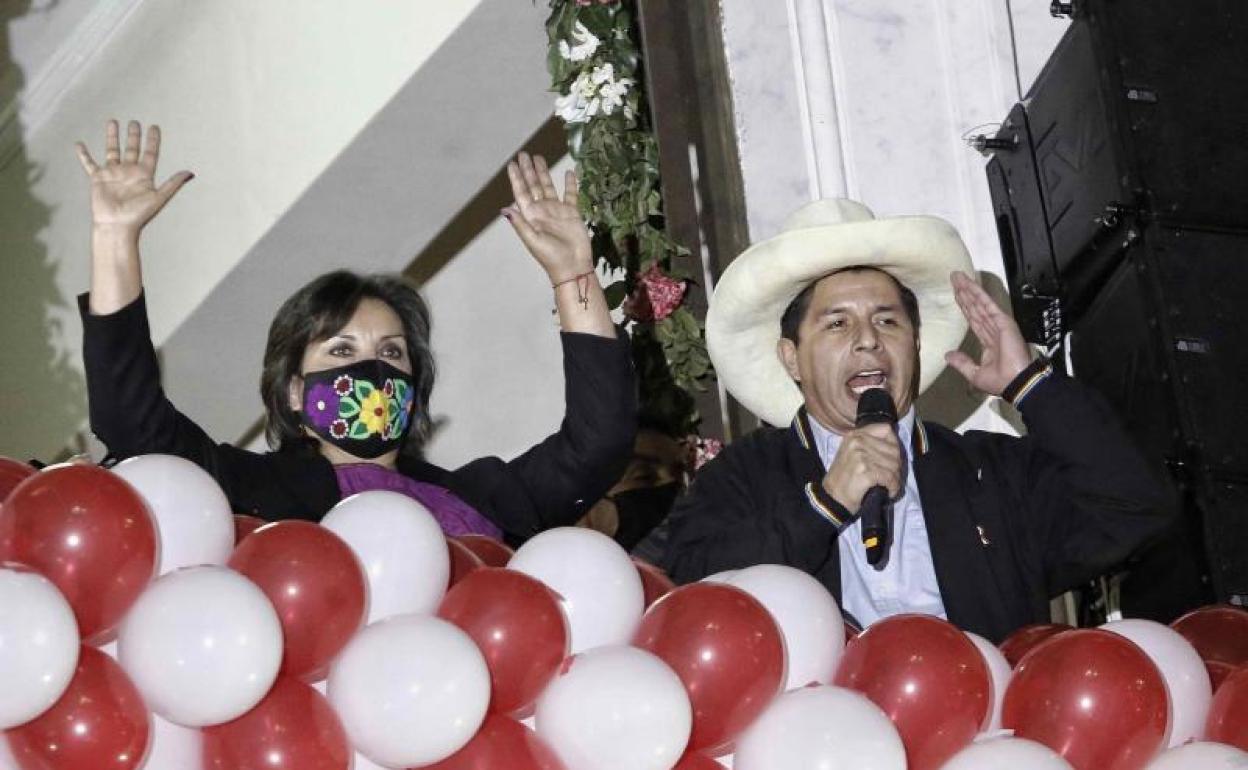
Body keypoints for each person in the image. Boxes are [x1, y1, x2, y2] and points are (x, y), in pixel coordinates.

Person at [75, 119, 636, 541]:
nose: (372, 369)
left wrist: (572, 275)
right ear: (295, 390)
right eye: (341, 348)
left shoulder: (478, 497)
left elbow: (600, 439)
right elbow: (132, 423)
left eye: (392, 352)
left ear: (415, 384)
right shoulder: (249, 490)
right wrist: (114, 241)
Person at [648, 198, 1173, 642]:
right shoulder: (748, 475)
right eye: (837, 323)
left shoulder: (986, 470)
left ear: (916, 345)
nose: (868, 340)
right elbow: (691, 589)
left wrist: (1030, 384)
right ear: (791, 358)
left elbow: (1134, 505)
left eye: (887, 320)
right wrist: (825, 504)